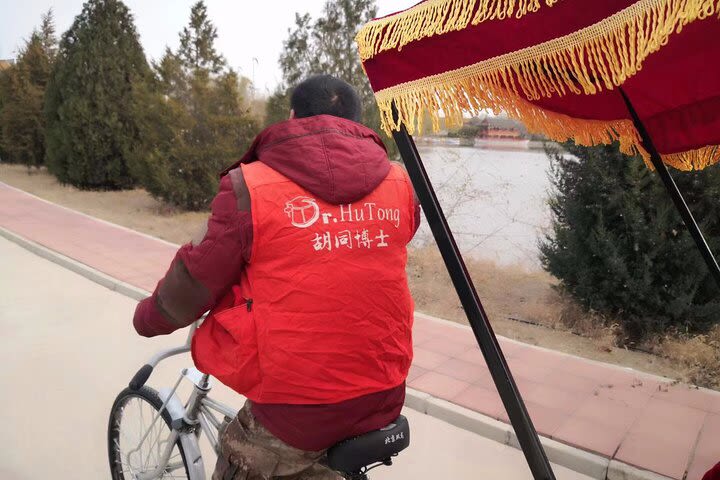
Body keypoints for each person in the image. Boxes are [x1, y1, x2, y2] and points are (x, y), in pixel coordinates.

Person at [133, 74, 420, 480]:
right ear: (359, 122)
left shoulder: (249, 187)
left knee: (242, 455)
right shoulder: (402, 183)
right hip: (386, 388)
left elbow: (197, 277)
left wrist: (149, 317)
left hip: (298, 408)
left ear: (291, 117)